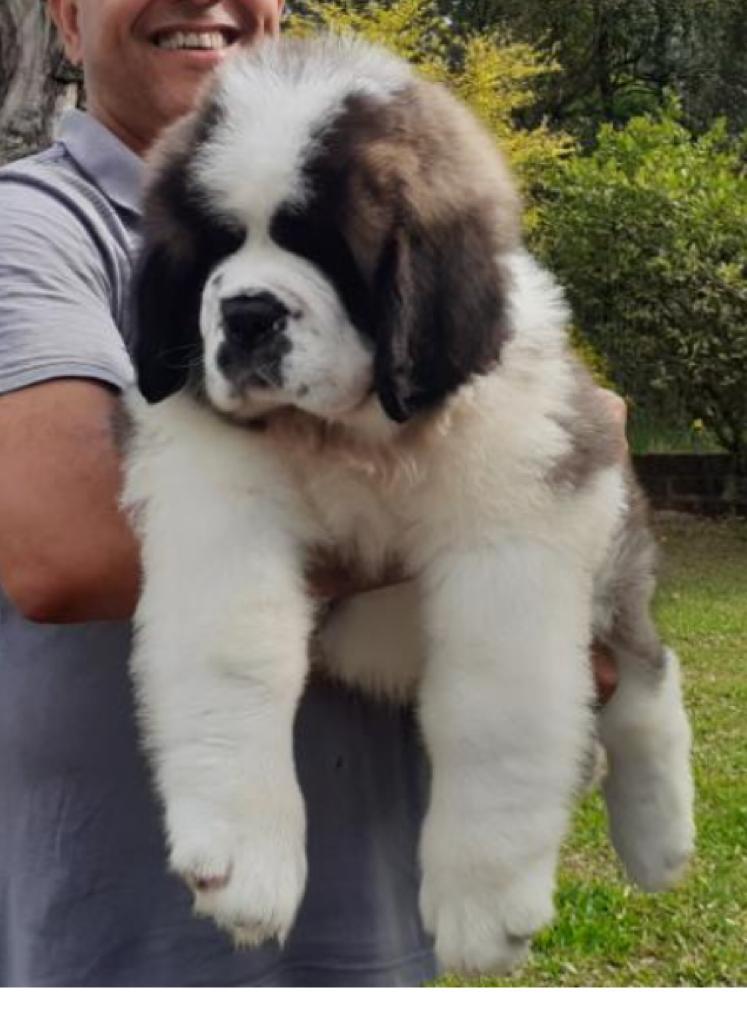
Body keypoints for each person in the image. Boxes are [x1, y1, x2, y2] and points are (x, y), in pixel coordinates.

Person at [0, 0, 619, 987]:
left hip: (369, 917)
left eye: (324, 255)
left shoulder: (396, 182)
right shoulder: (31, 223)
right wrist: (471, 515)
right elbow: (66, 550)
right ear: (67, 21)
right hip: (120, 941)